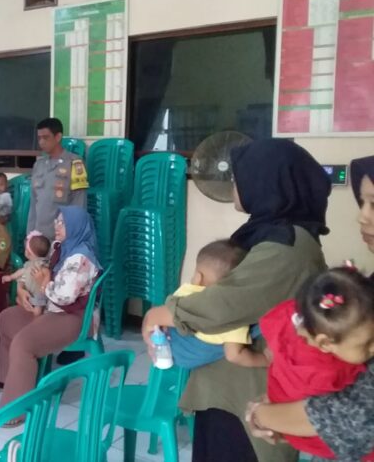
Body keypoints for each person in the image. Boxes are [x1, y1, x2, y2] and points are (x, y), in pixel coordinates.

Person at [141, 139, 331, 462]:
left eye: (241, 176)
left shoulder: (287, 246)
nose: (233, 184)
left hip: (248, 399)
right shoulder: (270, 233)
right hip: (232, 393)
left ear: (266, 181)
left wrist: (159, 314)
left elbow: (224, 303)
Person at [246, 155, 374, 462]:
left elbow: (355, 413)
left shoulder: (284, 243)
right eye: (363, 202)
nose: (362, 216)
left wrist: (264, 414)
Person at [255, 267, 374, 460]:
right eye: (367, 344)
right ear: (325, 344)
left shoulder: (301, 317)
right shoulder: (327, 373)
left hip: (280, 411)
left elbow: (273, 322)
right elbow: (331, 418)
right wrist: (261, 415)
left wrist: (259, 414)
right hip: (308, 430)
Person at [0, 206, 101, 422]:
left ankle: (16, 410)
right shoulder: (60, 248)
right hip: (49, 308)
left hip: (74, 318)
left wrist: (44, 284)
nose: (57, 226)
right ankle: (15, 384)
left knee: (24, 343)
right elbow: (35, 271)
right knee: (7, 319)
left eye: (63, 223)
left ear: (76, 227)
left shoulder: (82, 257)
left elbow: (64, 296)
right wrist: (23, 291)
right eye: (57, 222)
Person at [165, 239, 268, 370]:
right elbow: (234, 355)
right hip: (184, 357)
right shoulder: (236, 313)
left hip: (164, 340)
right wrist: (265, 359)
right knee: (256, 326)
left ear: (198, 277)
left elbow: (167, 310)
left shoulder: (187, 290)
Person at [27, 118, 88, 241]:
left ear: (58, 137)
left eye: (46, 137)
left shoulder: (75, 163)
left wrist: (71, 239)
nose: (41, 142)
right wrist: (29, 235)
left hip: (61, 239)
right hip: (39, 239)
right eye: (39, 138)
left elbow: (79, 205)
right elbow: (33, 205)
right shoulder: (39, 165)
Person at [1, 232, 51, 316]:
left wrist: (43, 286)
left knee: (38, 308)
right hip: (29, 291)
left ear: (28, 252)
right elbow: (21, 271)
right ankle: (31, 309)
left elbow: (47, 274)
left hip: (38, 292)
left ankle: (36, 314)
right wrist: (10, 277)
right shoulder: (29, 264)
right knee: (17, 299)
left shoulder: (41, 264)